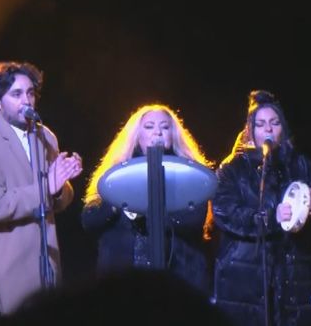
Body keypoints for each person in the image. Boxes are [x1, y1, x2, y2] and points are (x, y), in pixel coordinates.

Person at [210, 90, 311, 326]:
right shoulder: (232, 169)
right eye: (260, 125)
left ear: (283, 127)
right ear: (250, 131)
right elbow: (225, 212)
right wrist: (271, 217)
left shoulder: (300, 164)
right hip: (245, 272)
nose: (268, 129)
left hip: (292, 269)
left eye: (274, 122)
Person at [0, 62, 82, 314]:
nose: (27, 100)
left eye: (30, 93)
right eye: (16, 94)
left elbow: (60, 198)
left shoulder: (46, 136)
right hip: (9, 260)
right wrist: (46, 188)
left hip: (48, 257)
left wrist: (59, 188)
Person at [81, 105, 213, 292]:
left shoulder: (189, 173)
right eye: (149, 127)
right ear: (136, 135)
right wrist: (119, 203)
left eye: (165, 127)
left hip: (176, 278)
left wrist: (153, 213)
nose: (157, 132)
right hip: (122, 279)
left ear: (173, 134)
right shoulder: (116, 173)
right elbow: (90, 220)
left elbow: (194, 220)